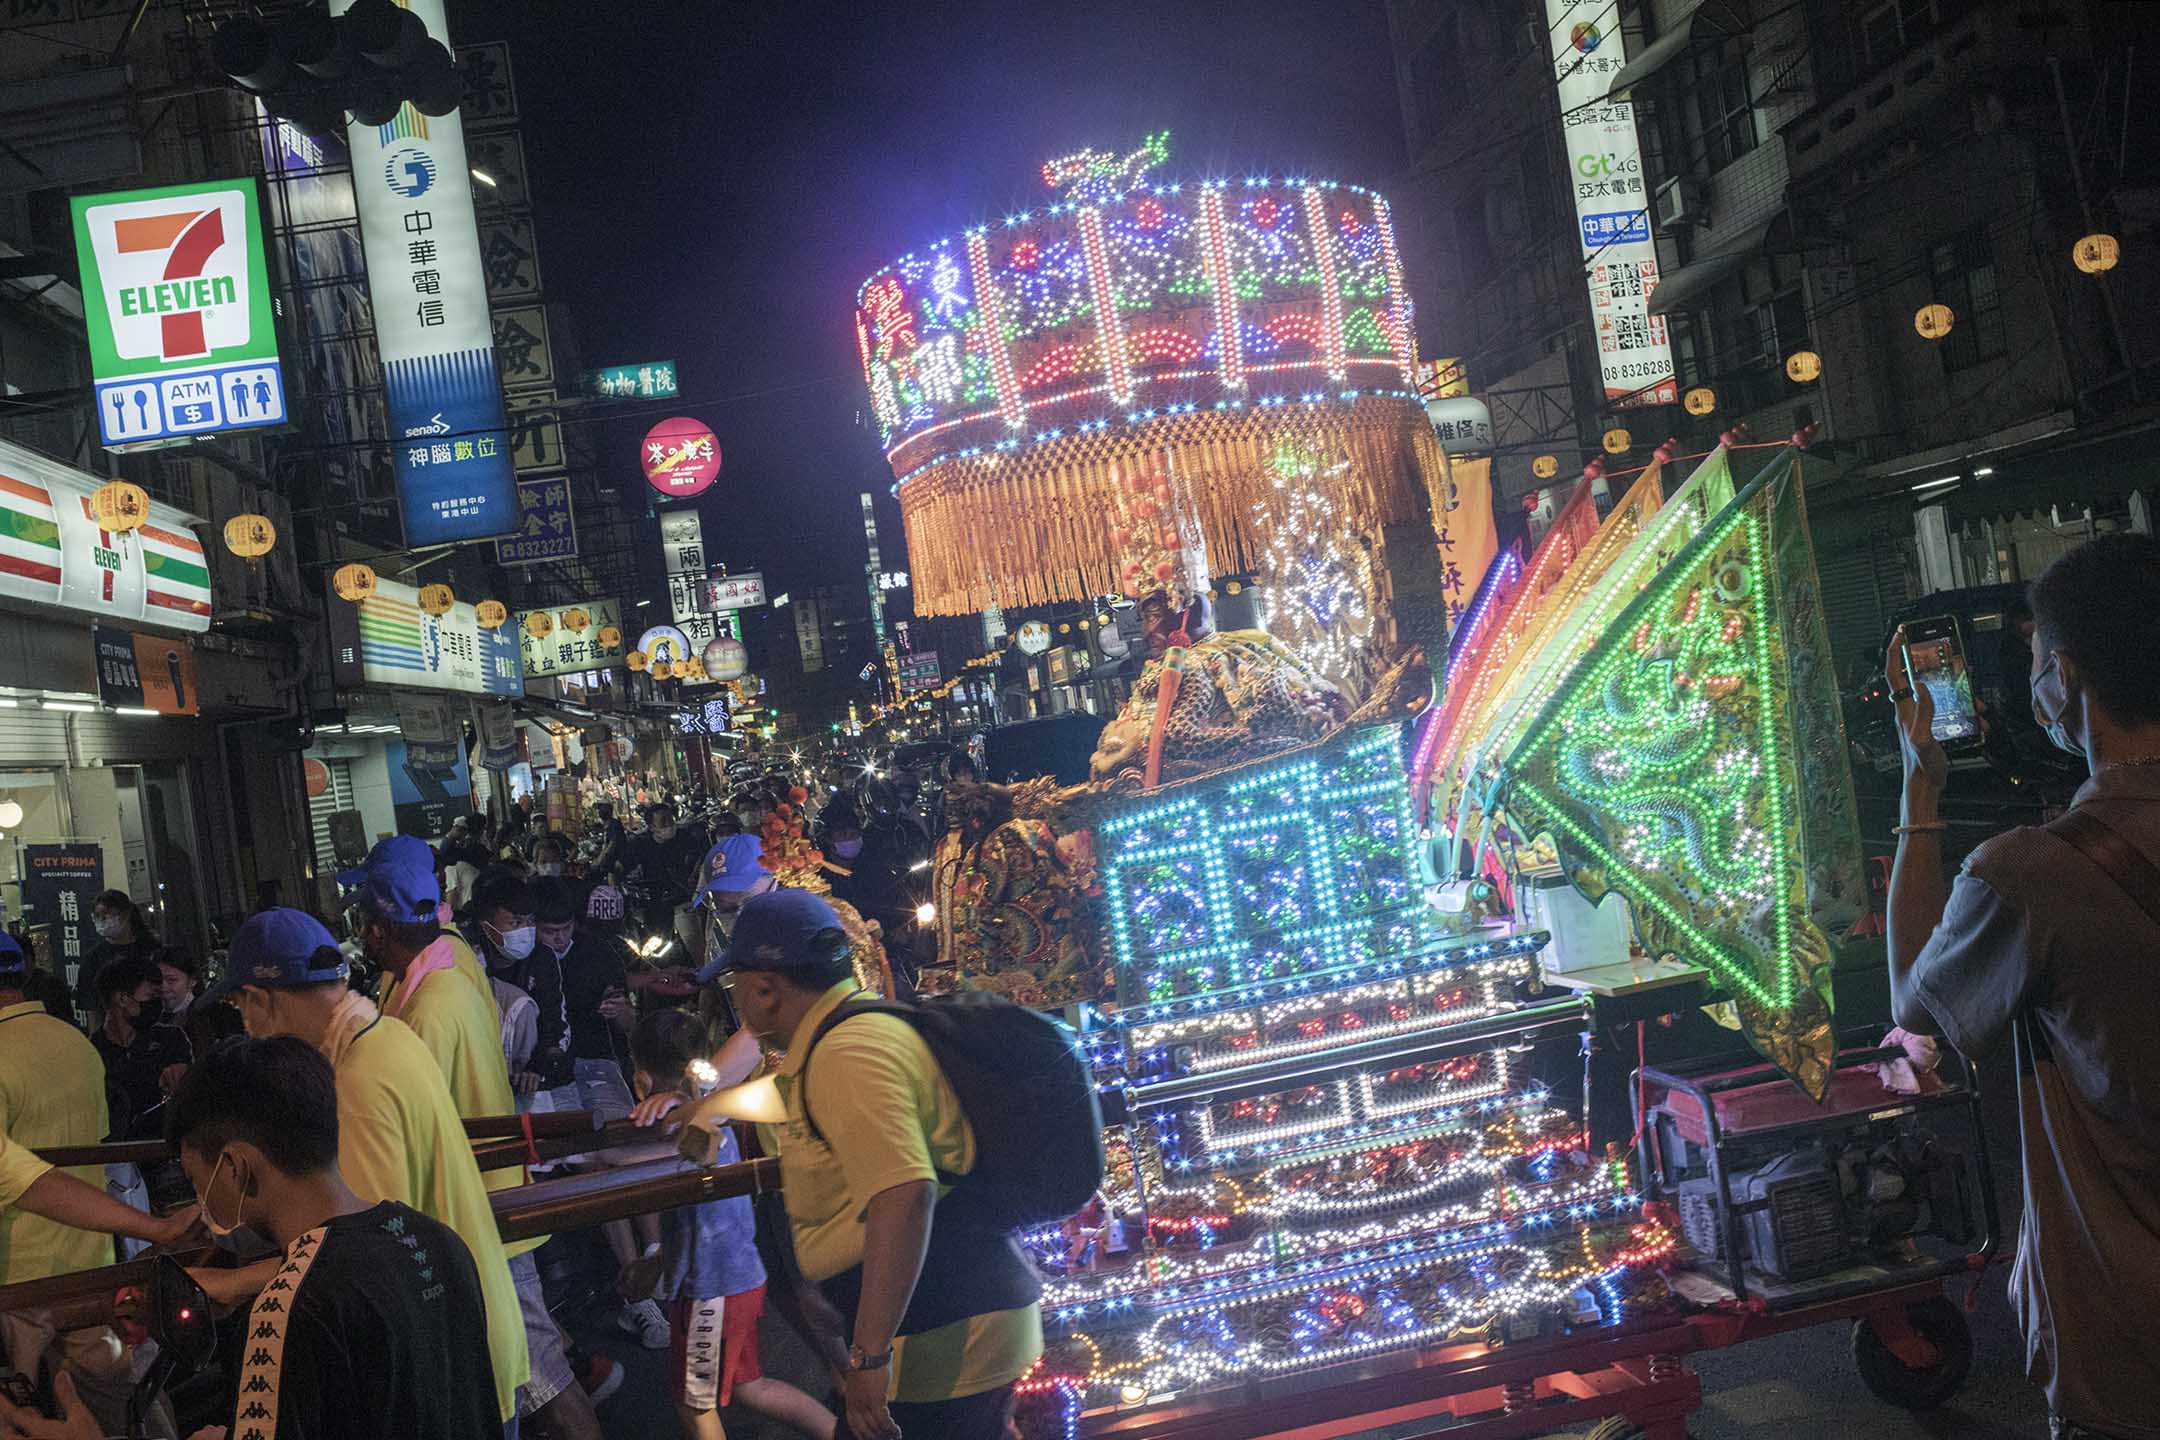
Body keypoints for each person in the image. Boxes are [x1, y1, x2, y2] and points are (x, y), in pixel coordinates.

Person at [1887, 533, 2160, 1440]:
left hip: (2128, 1347)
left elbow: (1913, 1003)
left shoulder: (2030, 877)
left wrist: (1919, 797)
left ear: (2071, 679)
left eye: (2038, 662)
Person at [696, 889, 1042, 1440]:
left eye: (736, 983)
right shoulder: (843, 1035)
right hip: (949, 1316)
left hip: (944, 1330)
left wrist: (869, 1359)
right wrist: (710, 1108)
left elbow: (905, 1197)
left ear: (764, 987)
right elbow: (791, 1097)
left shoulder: (848, 1053)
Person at [199, 909, 529, 1431]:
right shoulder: (385, 1038)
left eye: (242, 1007)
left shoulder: (356, 1083)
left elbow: (362, 1257)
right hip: (459, 1322)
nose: (246, 1026)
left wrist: (232, 1284)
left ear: (261, 999)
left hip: (443, 1344)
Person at [346, 862, 601, 1439]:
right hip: (485, 1197)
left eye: (366, 922)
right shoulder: (450, 958)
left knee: (538, 1374)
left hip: (479, 1206)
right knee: (530, 1357)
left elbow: (414, 1121)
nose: (363, 937)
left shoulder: (431, 1006)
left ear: (380, 926)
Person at [148, 1036, 497, 1440]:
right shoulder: (437, 1239)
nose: (201, 1202)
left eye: (196, 1182)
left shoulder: (281, 1311)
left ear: (235, 1167)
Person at [0, 934, 189, 1438]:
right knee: (119, 1396)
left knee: (22, 1409)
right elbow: (100, 1145)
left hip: (19, 1277)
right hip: (89, 1263)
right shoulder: (74, 1044)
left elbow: (22, 1178)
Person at [624, 1009, 834, 1440]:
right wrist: (662, 1260)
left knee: (694, 1405)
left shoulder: (690, 1122)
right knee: (751, 1388)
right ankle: (841, 1431)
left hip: (711, 1290)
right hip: (736, 1277)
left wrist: (575, 1161)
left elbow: (633, 1163)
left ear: (641, 1079)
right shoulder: (709, 1108)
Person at [88, 957, 193, 1143]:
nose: (158, 1004)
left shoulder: (170, 1040)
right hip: (112, 1156)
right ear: (122, 999)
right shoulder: (91, 1052)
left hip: (163, 1152)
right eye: (151, 997)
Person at [74, 891, 159, 1026]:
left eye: (107, 915)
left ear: (125, 914)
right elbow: (92, 1012)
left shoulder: (152, 949)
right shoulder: (93, 959)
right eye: (98, 916)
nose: (102, 921)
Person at [153, 950, 199, 1025]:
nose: (163, 988)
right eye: (157, 979)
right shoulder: (149, 1015)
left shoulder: (204, 1016)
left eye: (171, 980)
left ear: (192, 981)